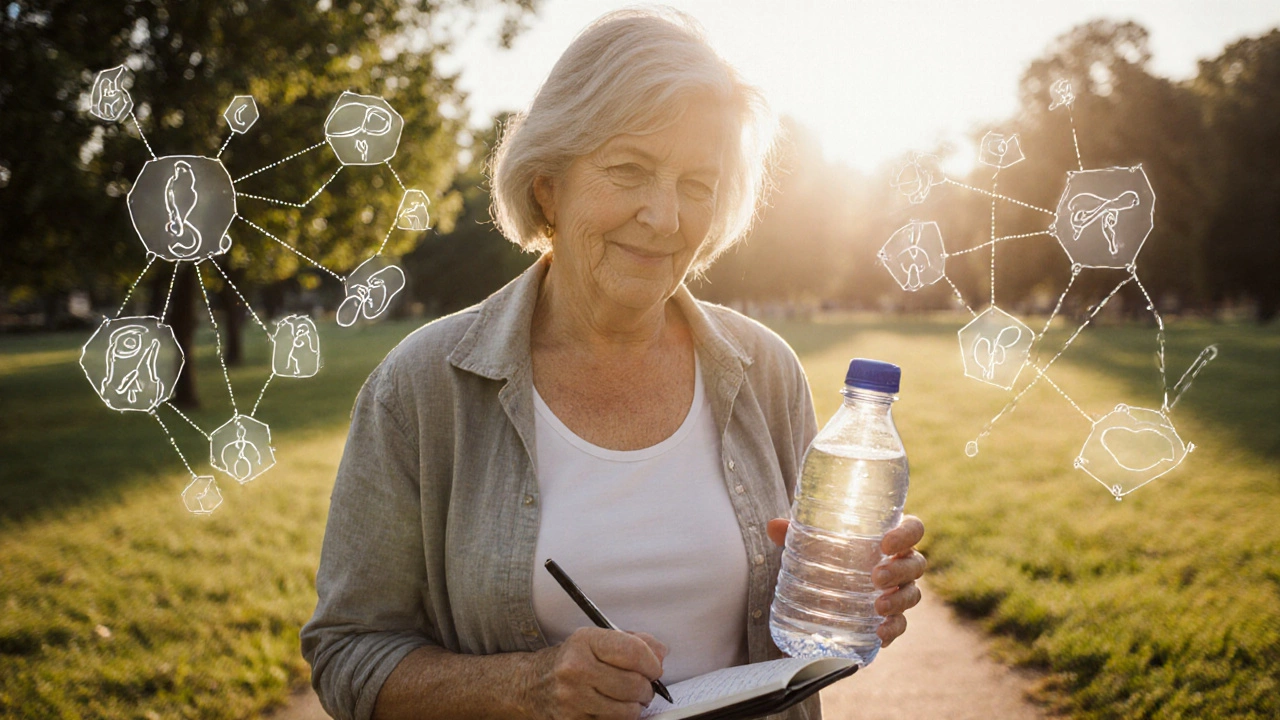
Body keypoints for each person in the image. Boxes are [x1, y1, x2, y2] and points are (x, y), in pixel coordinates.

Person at [301, 8, 926, 720]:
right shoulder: (421, 387)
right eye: (630, 170)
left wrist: (847, 590)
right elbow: (347, 656)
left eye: (697, 184)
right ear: (548, 186)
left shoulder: (767, 372)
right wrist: (527, 686)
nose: (664, 216)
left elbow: (800, 626)